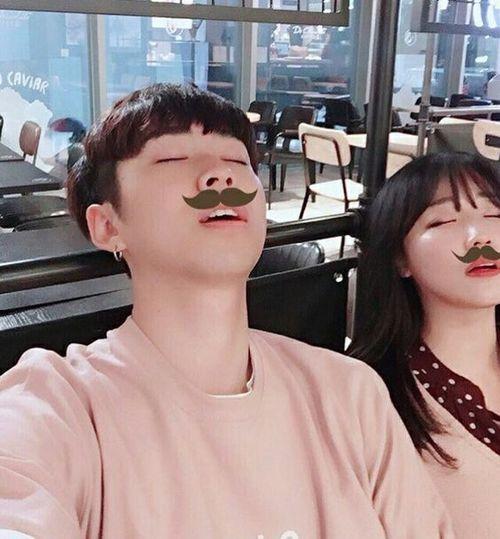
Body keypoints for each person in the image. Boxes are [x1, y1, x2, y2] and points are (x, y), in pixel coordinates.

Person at [0, 84, 455, 538]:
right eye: (172, 159)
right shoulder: (58, 406)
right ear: (107, 225)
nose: (220, 176)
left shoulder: (351, 395)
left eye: (237, 161)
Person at [349, 152, 500, 539]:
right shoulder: (369, 398)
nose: (480, 236)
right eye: (444, 220)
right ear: (401, 258)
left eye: (494, 214)